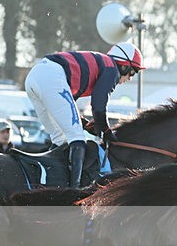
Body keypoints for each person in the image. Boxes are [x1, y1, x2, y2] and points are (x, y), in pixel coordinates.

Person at [24, 43, 144, 187]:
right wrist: (106, 130)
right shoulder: (112, 69)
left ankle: (48, 181)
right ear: (124, 66)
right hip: (51, 75)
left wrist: (86, 124)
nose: (130, 78)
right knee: (77, 138)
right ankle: (74, 191)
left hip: (35, 76)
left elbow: (65, 110)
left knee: (59, 137)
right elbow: (99, 106)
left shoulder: (101, 64)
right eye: (133, 72)